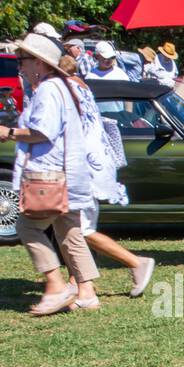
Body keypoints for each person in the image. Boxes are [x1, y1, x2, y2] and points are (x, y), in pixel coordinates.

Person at [1, 33, 99, 314]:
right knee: (69, 231)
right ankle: (87, 293)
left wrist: (8, 133)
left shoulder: (47, 90)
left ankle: (56, 285)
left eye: (23, 60)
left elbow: (43, 131)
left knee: (27, 227)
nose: (19, 66)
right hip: (67, 172)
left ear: (40, 64)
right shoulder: (62, 87)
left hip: (49, 174)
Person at [59, 54, 155, 303]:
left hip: (85, 168)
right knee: (71, 227)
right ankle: (78, 283)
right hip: (94, 164)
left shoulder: (65, 91)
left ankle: (136, 262)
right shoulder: (81, 87)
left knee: (81, 230)